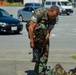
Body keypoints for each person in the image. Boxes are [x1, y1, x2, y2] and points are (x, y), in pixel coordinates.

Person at [26, 5, 59, 75]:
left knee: (45, 53)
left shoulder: (54, 19)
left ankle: (39, 71)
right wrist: (31, 41)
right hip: (34, 30)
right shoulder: (40, 12)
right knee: (43, 27)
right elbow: (31, 27)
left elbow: (48, 33)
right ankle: (36, 48)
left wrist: (43, 45)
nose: (52, 18)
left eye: (54, 17)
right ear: (49, 11)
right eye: (52, 16)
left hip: (43, 34)